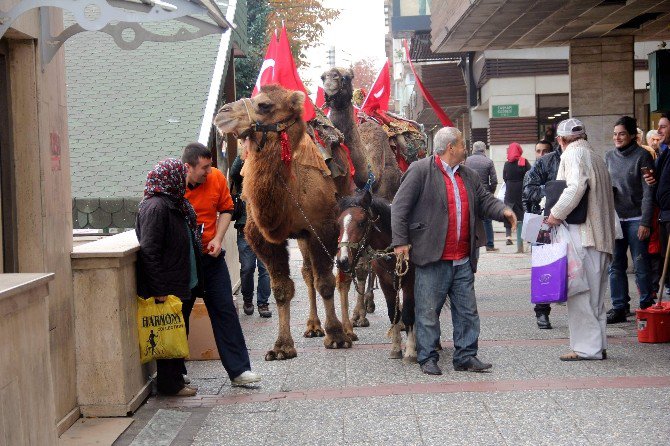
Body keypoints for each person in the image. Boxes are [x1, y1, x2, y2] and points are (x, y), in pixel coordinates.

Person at [391, 127, 517, 375]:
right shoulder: (420, 171)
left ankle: (466, 356)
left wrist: (503, 210)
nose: (465, 148)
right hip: (432, 256)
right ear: (451, 147)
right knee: (428, 311)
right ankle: (427, 357)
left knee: (467, 311)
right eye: (462, 144)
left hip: (462, 257)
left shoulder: (468, 175)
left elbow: (485, 200)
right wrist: (400, 242)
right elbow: (399, 208)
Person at [182, 142, 261, 386]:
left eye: (210, 167)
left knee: (225, 310)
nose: (209, 172)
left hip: (211, 257)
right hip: (184, 263)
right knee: (180, 315)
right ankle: (176, 373)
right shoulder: (174, 186)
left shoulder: (215, 178)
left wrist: (217, 238)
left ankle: (239, 371)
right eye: (204, 168)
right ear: (188, 167)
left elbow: (227, 208)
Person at [545, 119, 615, 361]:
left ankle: (587, 348)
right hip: (601, 237)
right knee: (595, 296)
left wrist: (555, 214)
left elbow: (575, 188)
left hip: (584, 235)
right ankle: (597, 345)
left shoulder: (573, 155)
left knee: (581, 294)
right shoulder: (595, 156)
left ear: (561, 140)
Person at [136, 158, 201, 396]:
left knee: (176, 332)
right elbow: (149, 250)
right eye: (181, 174)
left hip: (180, 280)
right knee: (168, 333)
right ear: (171, 177)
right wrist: (159, 288)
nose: (185, 179)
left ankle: (176, 379)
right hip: (168, 284)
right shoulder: (156, 207)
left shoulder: (174, 203)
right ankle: (170, 384)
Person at [605, 116, 655, 323]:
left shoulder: (643, 156)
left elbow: (648, 191)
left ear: (633, 135)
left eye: (622, 133)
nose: (617, 137)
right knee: (615, 265)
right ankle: (619, 307)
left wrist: (645, 221)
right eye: (615, 134)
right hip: (616, 218)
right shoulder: (608, 156)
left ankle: (646, 304)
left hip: (636, 218)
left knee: (640, 264)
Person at [230, 144, 271, 318]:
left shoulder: (269, 172)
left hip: (265, 228)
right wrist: (246, 150)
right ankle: (248, 298)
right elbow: (233, 173)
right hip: (245, 226)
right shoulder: (243, 168)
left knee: (265, 268)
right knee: (247, 268)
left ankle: (263, 303)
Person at [522, 140, 560, 329]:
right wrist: (555, 190)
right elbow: (527, 194)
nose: (541, 153)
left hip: (570, 221)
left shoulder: (573, 161)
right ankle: (542, 311)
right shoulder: (539, 166)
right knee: (544, 268)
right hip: (541, 221)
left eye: (545, 150)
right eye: (538, 151)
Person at [464, 140, 499, 251]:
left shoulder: (466, 161)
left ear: (473, 149)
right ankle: (489, 245)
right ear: (484, 150)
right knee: (487, 220)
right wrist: (490, 192)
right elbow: (494, 181)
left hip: (469, 193)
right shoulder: (488, 162)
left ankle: (472, 244)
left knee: (470, 219)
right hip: (484, 194)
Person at [503, 142, 530, 251]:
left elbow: (504, 177)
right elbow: (530, 174)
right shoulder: (523, 161)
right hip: (521, 189)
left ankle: (508, 236)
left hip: (510, 189)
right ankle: (525, 236)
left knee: (508, 212)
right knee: (522, 212)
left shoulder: (506, 164)